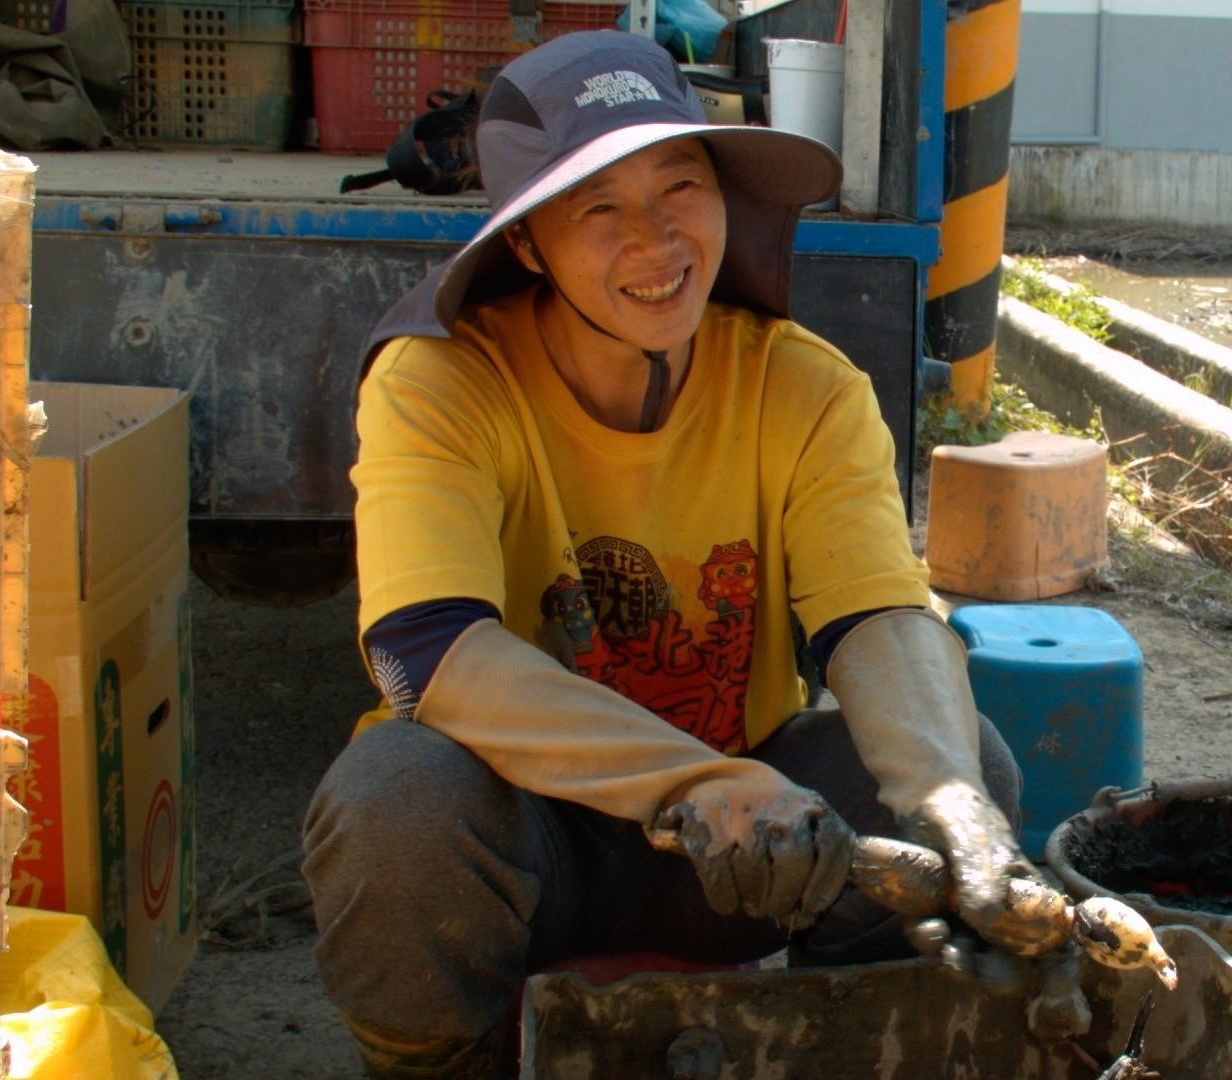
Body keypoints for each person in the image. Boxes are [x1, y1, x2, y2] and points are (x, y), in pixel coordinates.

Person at [300, 31, 1039, 1079]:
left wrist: (950, 802)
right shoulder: (440, 382)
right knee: (394, 803)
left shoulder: (805, 386)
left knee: (975, 767)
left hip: (746, 865)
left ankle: (840, 1046)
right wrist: (695, 784)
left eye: (679, 185)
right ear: (525, 246)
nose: (655, 241)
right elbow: (426, 655)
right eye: (597, 206)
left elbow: (877, 617)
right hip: (532, 842)